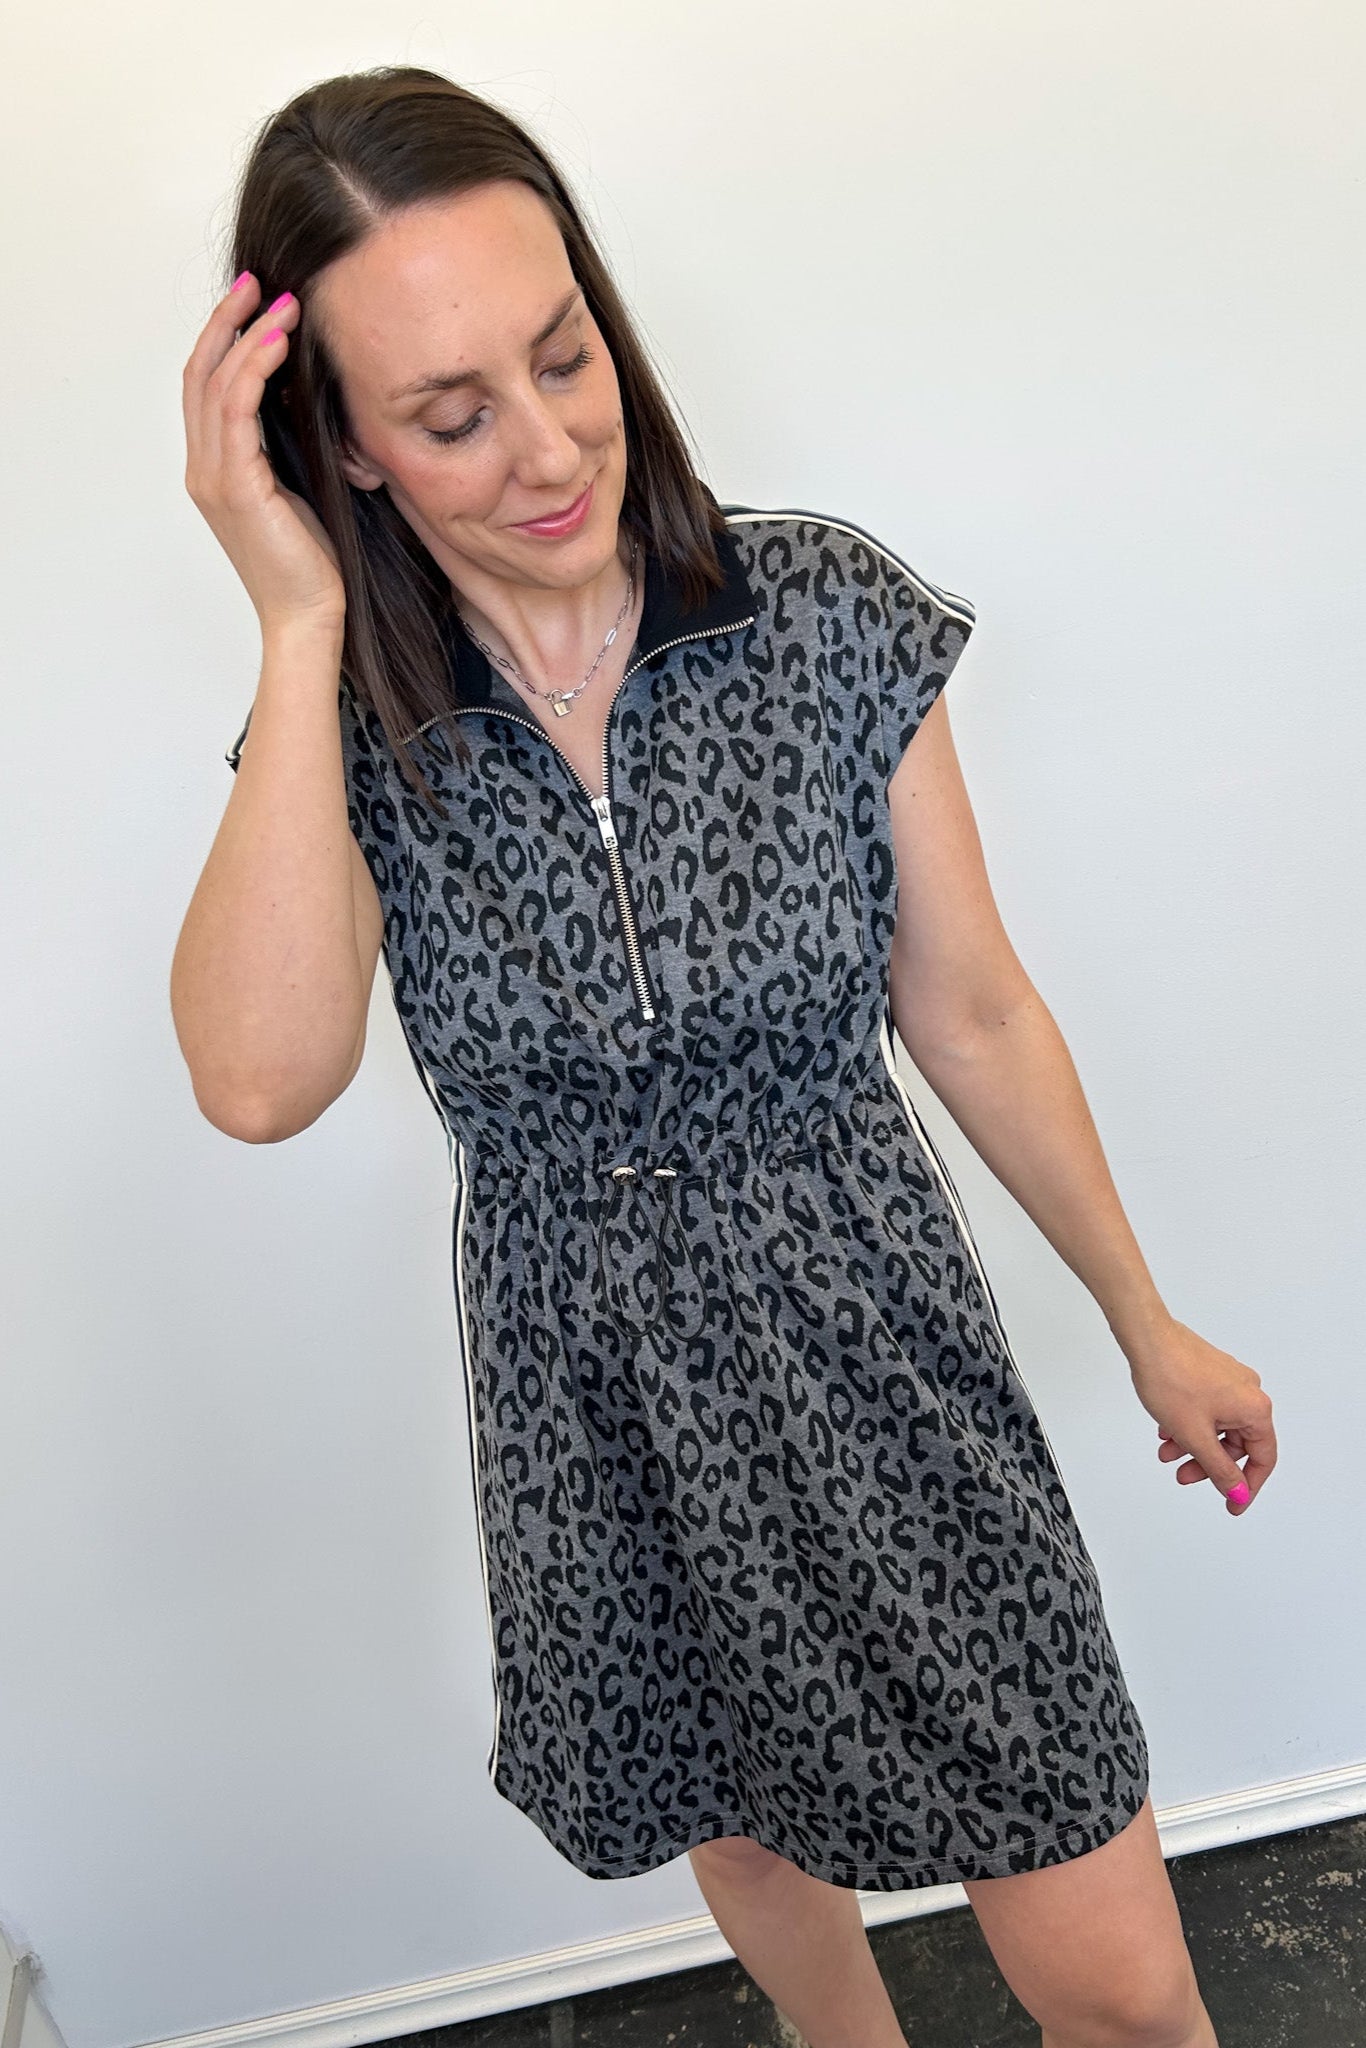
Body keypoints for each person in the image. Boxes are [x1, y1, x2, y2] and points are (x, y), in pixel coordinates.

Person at [171, 64, 1277, 2048]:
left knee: (1113, 1985)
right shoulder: (349, 718)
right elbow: (258, 1080)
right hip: (592, 1406)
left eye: (563, 355)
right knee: (762, 1867)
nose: (544, 448)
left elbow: (973, 1008)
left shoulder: (818, 614)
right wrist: (287, 622)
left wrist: (1143, 1317)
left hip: (875, 1348)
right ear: (332, 443)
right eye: (447, 413)